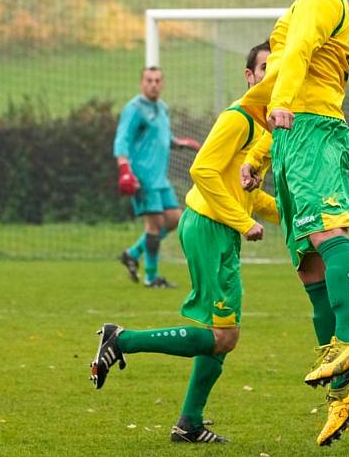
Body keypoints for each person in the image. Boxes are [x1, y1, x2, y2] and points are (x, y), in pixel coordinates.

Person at [91, 43, 279, 444]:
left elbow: (244, 192)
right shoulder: (240, 117)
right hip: (211, 227)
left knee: (223, 337)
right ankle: (121, 339)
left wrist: (291, 214)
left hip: (220, 228)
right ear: (249, 76)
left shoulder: (263, 128)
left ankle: (189, 424)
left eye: (276, 66)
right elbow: (202, 171)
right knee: (224, 335)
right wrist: (244, 222)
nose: (271, 72)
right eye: (264, 66)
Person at [238, 0, 349, 447]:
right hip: (293, 136)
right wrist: (256, 155)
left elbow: (290, 71)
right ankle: (343, 391)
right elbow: (275, 80)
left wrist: (282, 101)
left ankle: (348, 342)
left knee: (327, 235)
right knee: (308, 266)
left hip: (315, 129)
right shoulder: (296, 11)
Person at [113, 66, 201, 288]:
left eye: (157, 80)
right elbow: (121, 140)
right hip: (142, 178)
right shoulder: (134, 109)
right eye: (149, 80)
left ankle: (132, 253)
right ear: (142, 83)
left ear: (162, 84)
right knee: (153, 227)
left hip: (160, 178)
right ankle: (151, 278)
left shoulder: (162, 108)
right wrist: (124, 168)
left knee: (175, 220)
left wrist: (179, 143)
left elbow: (164, 136)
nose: (153, 84)